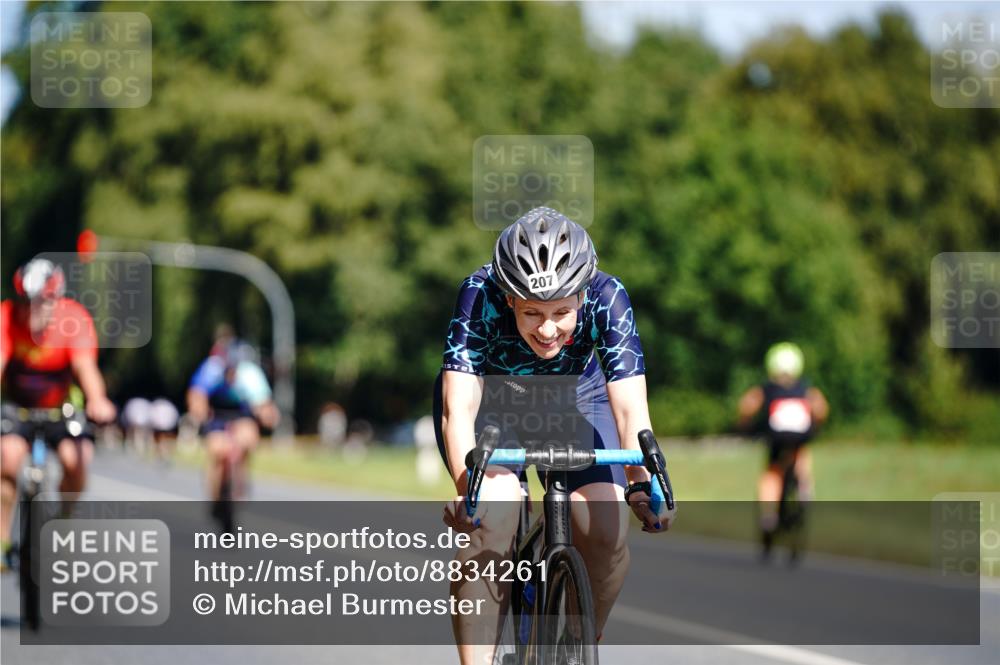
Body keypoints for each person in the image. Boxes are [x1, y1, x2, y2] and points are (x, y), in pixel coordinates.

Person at [434, 207, 671, 664]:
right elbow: (457, 407)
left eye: (562, 312)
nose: (547, 329)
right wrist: (470, 493)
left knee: (605, 528)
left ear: (583, 294)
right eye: (531, 312)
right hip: (495, 402)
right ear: (508, 298)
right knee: (494, 519)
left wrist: (644, 481)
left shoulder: (608, 295)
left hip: (580, 399)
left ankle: (580, 647)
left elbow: (629, 407)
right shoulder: (479, 293)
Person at [0, 258, 117, 564]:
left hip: (60, 408)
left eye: (43, 302)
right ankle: (1, 541)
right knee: (9, 459)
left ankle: (64, 522)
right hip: (17, 407)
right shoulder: (6, 317)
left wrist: (97, 399)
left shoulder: (74, 319)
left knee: (76, 460)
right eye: (27, 303)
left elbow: (85, 367)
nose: (34, 311)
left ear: (57, 299)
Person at [737, 342, 829, 555]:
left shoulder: (767, 388)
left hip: (776, 438)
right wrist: (817, 425)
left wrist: (744, 425)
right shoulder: (805, 387)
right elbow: (821, 408)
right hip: (801, 436)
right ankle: (805, 489)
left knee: (772, 472)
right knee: (801, 456)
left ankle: (768, 515)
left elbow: (747, 405)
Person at [186, 338, 279, 522]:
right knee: (217, 450)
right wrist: (199, 413)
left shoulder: (250, 373)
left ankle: (240, 482)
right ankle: (214, 496)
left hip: (241, 415)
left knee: (248, 438)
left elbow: (262, 402)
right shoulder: (211, 368)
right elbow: (197, 395)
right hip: (217, 415)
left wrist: (267, 414)